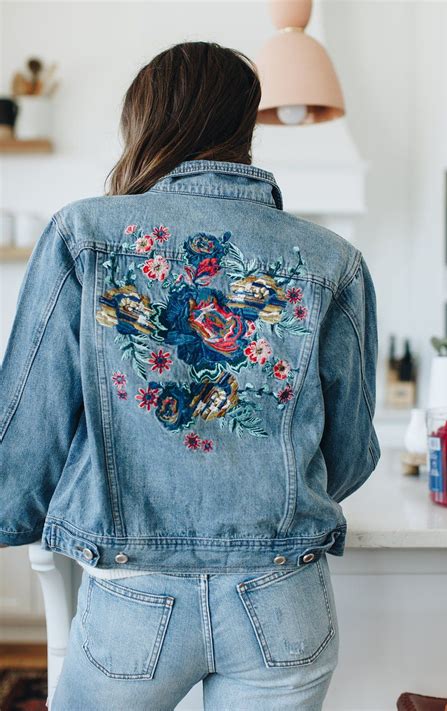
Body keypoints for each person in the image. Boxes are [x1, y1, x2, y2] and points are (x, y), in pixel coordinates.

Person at [0, 41, 380, 711]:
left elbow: (27, 432)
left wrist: (16, 515)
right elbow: (346, 453)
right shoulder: (333, 261)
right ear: (246, 125)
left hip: (134, 598)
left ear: (147, 122)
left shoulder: (82, 234)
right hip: (282, 599)